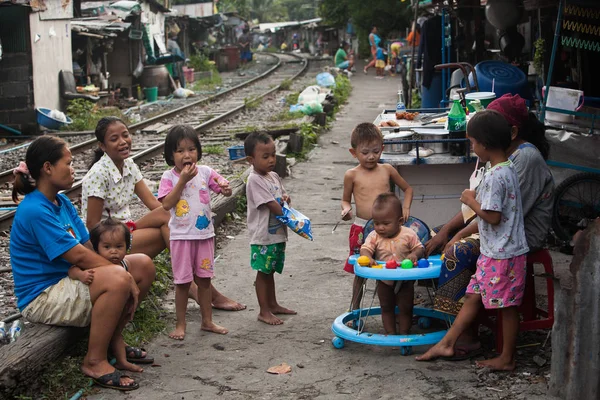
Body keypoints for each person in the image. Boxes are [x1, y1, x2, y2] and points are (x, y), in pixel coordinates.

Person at [10, 136, 156, 391]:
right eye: (68, 163)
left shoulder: (61, 201)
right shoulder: (35, 209)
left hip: (72, 279)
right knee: (120, 278)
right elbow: (78, 256)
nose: (73, 168)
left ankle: (114, 339)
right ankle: (95, 360)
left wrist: (122, 269)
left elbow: (88, 244)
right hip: (42, 296)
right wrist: (121, 274)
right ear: (47, 168)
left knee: (142, 264)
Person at [424, 94, 553, 359]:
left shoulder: (521, 161)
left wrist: (458, 229)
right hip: (500, 239)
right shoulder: (501, 162)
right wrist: (449, 230)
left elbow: (496, 215)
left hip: (511, 241)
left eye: (474, 141)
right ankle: (451, 332)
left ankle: (468, 336)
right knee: (435, 236)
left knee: (456, 252)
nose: (472, 147)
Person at [82, 117, 245, 312]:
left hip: (126, 229)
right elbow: (92, 225)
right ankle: (204, 291)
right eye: (114, 139)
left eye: (125, 135)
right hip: (108, 241)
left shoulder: (129, 165)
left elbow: (155, 204)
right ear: (102, 145)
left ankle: (196, 285)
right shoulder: (98, 173)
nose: (123, 141)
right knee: (171, 225)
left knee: (170, 219)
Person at [158, 125, 232, 339]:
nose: (187, 155)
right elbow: (166, 204)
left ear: (198, 151)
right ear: (171, 155)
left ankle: (207, 321)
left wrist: (225, 188)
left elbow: (221, 185)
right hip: (181, 238)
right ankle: (180, 324)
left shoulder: (206, 172)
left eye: (191, 149)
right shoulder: (168, 177)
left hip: (204, 236)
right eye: (180, 151)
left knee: (205, 280)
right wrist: (182, 180)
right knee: (182, 283)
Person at [341, 123, 413, 312]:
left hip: (390, 230)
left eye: (375, 151)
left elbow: (408, 189)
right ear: (353, 152)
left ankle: (396, 306)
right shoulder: (351, 175)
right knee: (361, 268)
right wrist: (346, 210)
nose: (371, 156)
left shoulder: (387, 169)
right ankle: (354, 307)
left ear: (382, 148)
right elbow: (345, 201)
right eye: (365, 153)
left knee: (393, 264)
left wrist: (405, 207)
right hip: (362, 227)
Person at [244, 132, 296, 325]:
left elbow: (281, 197)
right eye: (265, 157)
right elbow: (271, 205)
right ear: (251, 159)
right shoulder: (254, 180)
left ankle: (273, 304)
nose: (271, 160)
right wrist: (292, 219)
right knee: (263, 273)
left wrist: (286, 199)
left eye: (273, 155)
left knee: (270, 270)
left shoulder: (273, 176)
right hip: (263, 237)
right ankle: (263, 311)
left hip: (275, 234)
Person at [360, 193, 424, 336]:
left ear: (400, 221)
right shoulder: (374, 236)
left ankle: (404, 333)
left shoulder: (408, 234)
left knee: (406, 308)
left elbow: (420, 248)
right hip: (384, 280)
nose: (380, 227)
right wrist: (367, 256)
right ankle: (390, 333)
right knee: (386, 307)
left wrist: (414, 254)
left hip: (405, 280)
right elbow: (365, 248)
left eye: (386, 223)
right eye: (376, 223)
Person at [68, 215, 132, 285]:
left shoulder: (125, 264)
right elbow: (72, 270)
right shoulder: (93, 263)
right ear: (96, 247)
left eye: (119, 246)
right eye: (107, 247)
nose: (114, 251)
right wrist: (81, 275)